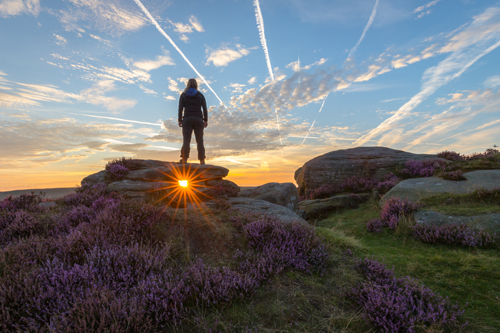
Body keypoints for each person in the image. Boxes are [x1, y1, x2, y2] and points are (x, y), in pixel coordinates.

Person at [178, 78, 208, 164]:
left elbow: (180, 108)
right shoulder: (200, 95)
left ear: (188, 84)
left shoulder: (183, 95)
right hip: (198, 119)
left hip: (187, 119)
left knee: (186, 139)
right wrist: (205, 120)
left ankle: (184, 159)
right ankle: (202, 160)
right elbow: (204, 108)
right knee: (200, 140)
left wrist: (180, 120)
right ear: (196, 85)